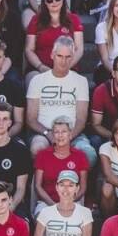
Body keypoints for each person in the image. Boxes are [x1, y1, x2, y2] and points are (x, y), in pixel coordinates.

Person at [26, 37, 94, 166]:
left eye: (68, 57)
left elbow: (81, 119)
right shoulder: (38, 80)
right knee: (37, 148)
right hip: (44, 133)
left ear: (73, 57)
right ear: (52, 55)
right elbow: (31, 119)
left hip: (73, 134)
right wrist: (49, 134)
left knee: (88, 154)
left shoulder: (81, 81)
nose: (63, 61)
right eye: (60, 56)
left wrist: (68, 136)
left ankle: (77, 184)